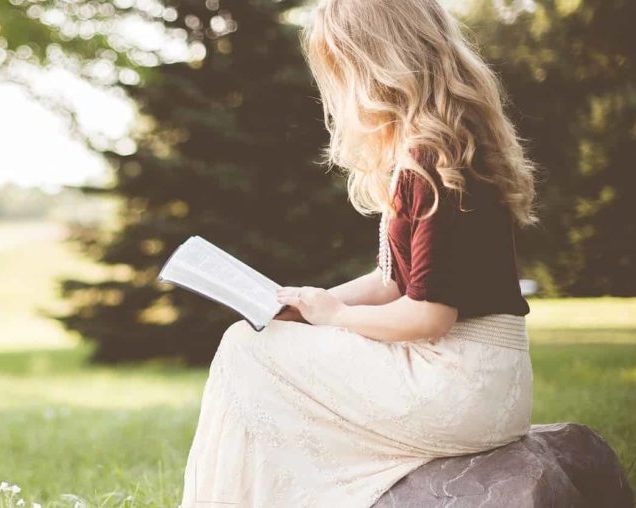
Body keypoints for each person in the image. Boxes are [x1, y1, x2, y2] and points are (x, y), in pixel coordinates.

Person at [179, 0, 539, 506]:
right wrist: (308, 305)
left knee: (245, 348)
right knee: (261, 337)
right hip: (479, 377)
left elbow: (430, 315)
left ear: (375, 66)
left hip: (460, 382)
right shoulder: (443, 148)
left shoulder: (430, 161)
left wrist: (336, 317)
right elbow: (394, 281)